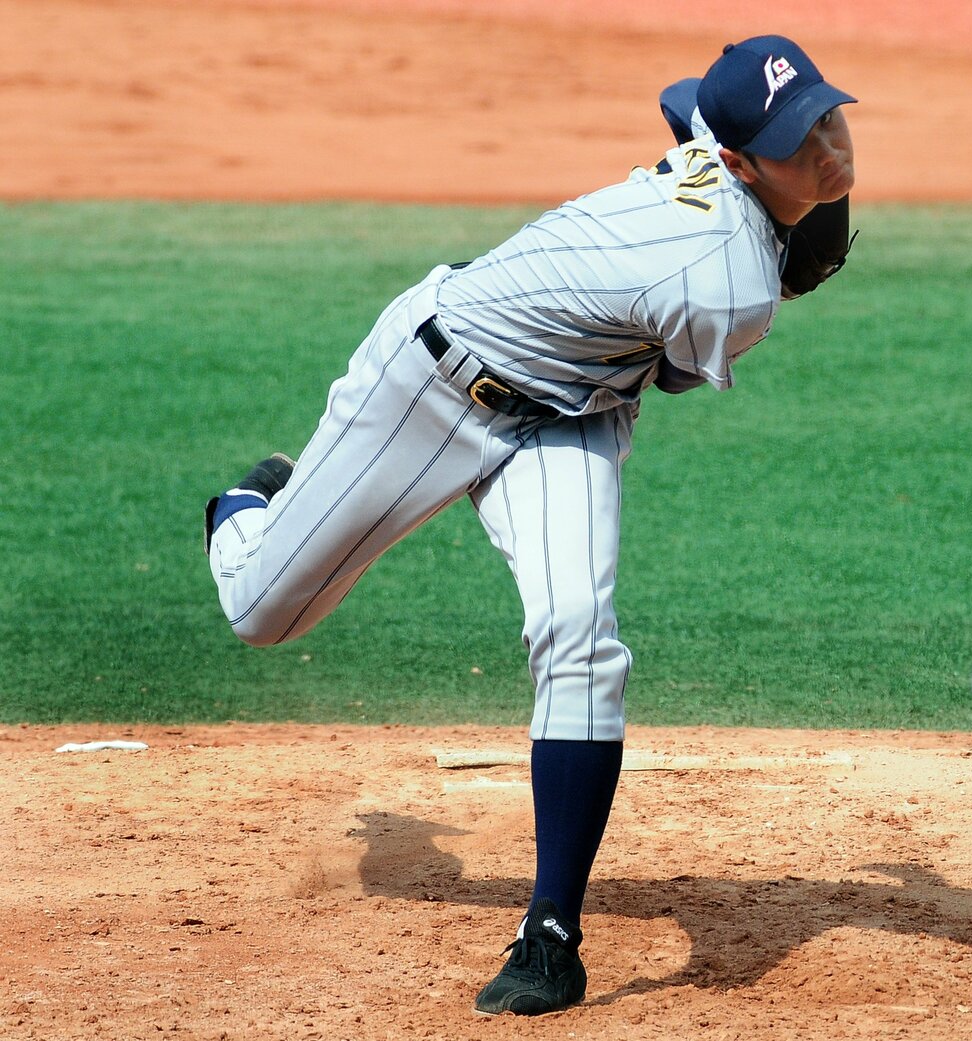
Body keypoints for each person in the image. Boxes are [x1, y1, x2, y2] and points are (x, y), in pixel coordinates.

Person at [202, 35, 856, 1016]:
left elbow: (684, 100)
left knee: (580, 638)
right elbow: (677, 371)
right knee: (262, 615)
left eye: (830, 118)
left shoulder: (714, 136)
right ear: (736, 158)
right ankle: (248, 507)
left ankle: (550, 934)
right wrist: (800, 247)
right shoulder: (732, 285)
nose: (830, 147)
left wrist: (800, 199)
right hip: (431, 382)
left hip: (569, 417)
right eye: (800, 139)